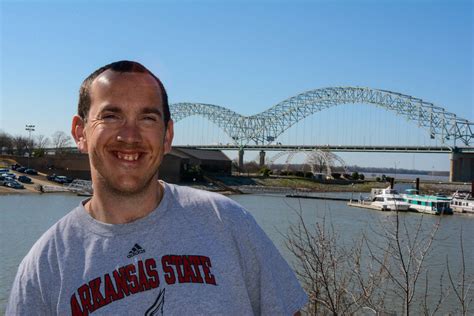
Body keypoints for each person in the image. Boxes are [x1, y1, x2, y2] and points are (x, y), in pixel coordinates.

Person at [6, 60, 307, 315]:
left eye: (147, 118)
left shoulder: (227, 222)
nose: (130, 135)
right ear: (79, 132)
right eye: (111, 116)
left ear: (167, 136)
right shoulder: (44, 266)